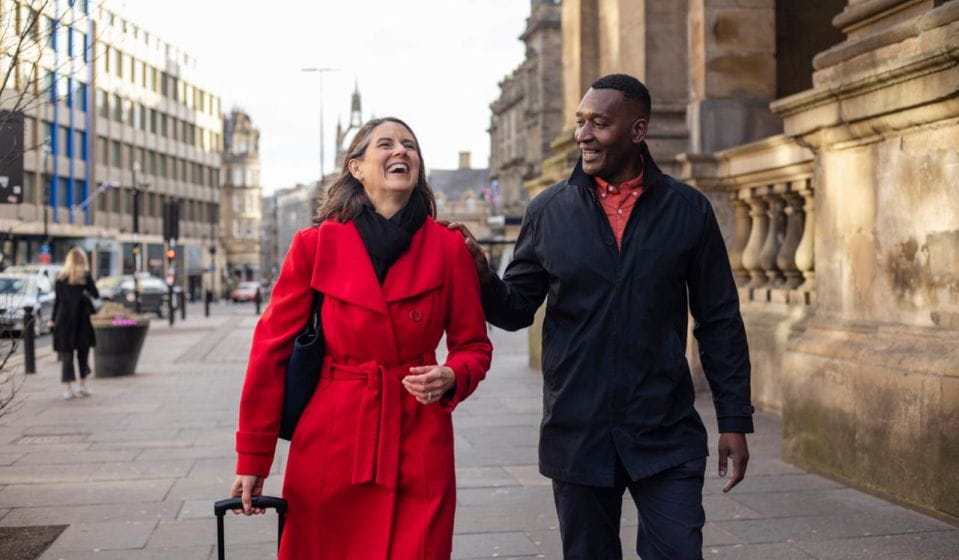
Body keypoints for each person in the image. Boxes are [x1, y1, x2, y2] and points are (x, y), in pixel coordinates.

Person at [448, 74, 753, 559]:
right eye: (580, 121)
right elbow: (516, 310)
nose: (583, 135)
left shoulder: (688, 210)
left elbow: (719, 321)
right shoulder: (548, 211)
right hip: (578, 432)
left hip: (664, 430)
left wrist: (734, 419)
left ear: (637, 130)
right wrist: (484, 277)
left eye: (599, 123)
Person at [230, 117, 494, 559]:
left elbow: (474, 346)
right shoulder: (314, 246)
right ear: (356, 167)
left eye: (410, 145)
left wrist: (452, 374)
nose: (401, 151)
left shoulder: (448, 248)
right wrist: (253, 459)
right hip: (331, 442)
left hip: (418, 440)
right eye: (385, 144)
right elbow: (269, 353)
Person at [52, 247, 99, 400]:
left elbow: (57, 302)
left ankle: (67, 389)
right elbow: (96, 294)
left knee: (67, 355)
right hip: (81, 319)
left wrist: (53, 319)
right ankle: (82, 385)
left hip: (64, 320)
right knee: (83, 353)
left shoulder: (60, 278)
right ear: (83, 260)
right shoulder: (85, 277)